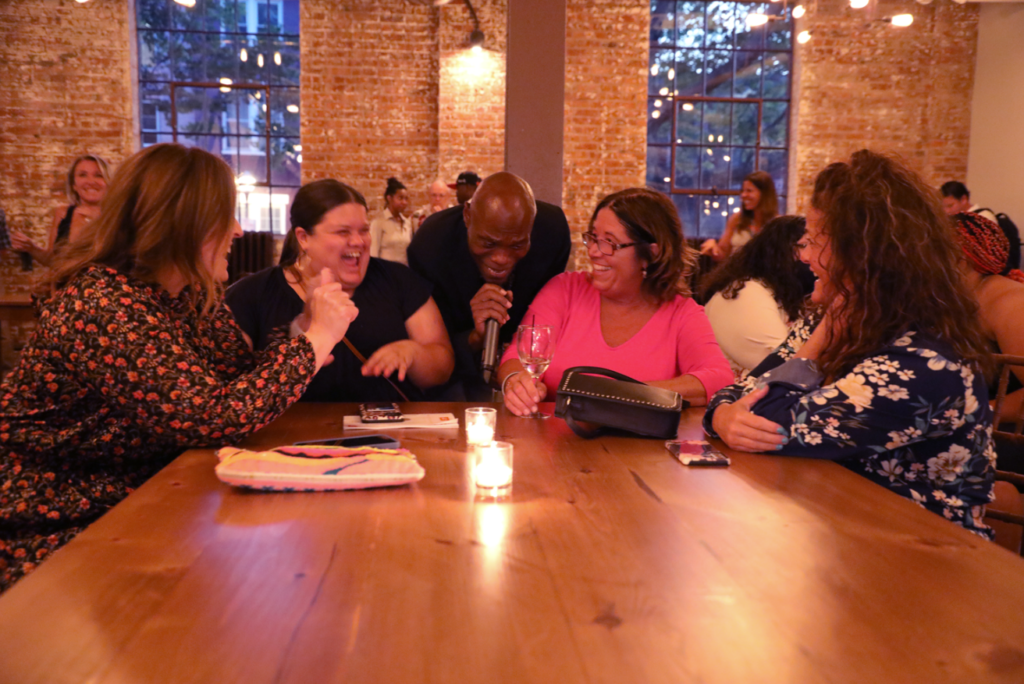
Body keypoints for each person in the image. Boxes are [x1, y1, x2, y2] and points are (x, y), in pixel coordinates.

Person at [0, 143, 357, 593]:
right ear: (185, 226)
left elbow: (241, 378)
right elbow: (210, 418)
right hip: (56, 523)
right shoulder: (101, 302)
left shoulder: (184, 294)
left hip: (143, 498)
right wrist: (318, 338)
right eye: (225, 217)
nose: (239, 230)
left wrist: (305, 327)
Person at [704, 150, 996, 539]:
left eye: (813, 240)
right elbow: (740, 389)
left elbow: (769, 421)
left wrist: (816, 343)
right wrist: (723, 416)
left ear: (861, 254)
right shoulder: (835, 318)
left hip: (922, 560)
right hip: (837, 532)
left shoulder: (923, 363)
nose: (802, 254)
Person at [498, 188, 733, 416]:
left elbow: (718, 378)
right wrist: (516, 383)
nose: (593, 251)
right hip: (555, 448)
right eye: (593, 238)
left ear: (651, 253)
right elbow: (517, 359)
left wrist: (618, 395)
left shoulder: (681, 313)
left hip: (644, 453)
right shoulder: (564, 290)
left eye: (609, 242)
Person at [226, 179, 454, 403]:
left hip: (391, 435)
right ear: (304, 238)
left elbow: (442, 369)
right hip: (290, 436)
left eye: (363, 230)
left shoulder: (399, 280)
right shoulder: (251, 294)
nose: (358, 241)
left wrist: (412, 353)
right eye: (343, 232)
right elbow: (232, 392)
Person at [408, 171, 571, 400]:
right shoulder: (431, 244)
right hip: (455, 369)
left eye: (517, 245)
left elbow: (546, 313)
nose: (501, 258)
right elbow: (432, 344)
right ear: (467, 216)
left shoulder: (553, 233)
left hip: (523, 369)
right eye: (488, 243)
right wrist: (476, 337)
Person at [952, 212, 1024, 471]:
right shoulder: (961, 299)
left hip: (1006, 437)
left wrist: (968, 414)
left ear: (959, 259)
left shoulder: (1010, 303)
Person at [701, 215, 811, 375]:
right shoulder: (744, 294)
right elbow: (787, 367)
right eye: (806, 245)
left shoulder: (780, 292)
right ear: (782, 251)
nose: (813, 257)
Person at [10, 154, 111, 268]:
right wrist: (31, 248)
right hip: (68, 283)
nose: (91, 181)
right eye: (83, 175)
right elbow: (53, 261)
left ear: (108, 182)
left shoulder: (117, 214)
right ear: (74, 185)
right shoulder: (63, 213)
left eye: (98, 175)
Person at [941, 180, 1020, 272]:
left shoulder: (983, 217)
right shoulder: (955, 219)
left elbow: (986, 253)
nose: (946, 211)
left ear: (963, 199)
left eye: (950, 206)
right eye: (943, 207)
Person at [699, 170, 779, 261]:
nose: (743, 195)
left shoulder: (777, 224)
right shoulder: (736, 219)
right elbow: (723, 256)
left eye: (749, 191)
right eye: (742, 191)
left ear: (765, 194)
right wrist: (713, 247)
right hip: (736, 274)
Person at [369, 177, 415, 265]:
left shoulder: (407, 223)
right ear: (389, 198)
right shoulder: (379, 222)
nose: (404, 202)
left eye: (406, 198)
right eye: (400, 198)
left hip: (403, 273)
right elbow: (373, 253)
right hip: (386, 274)